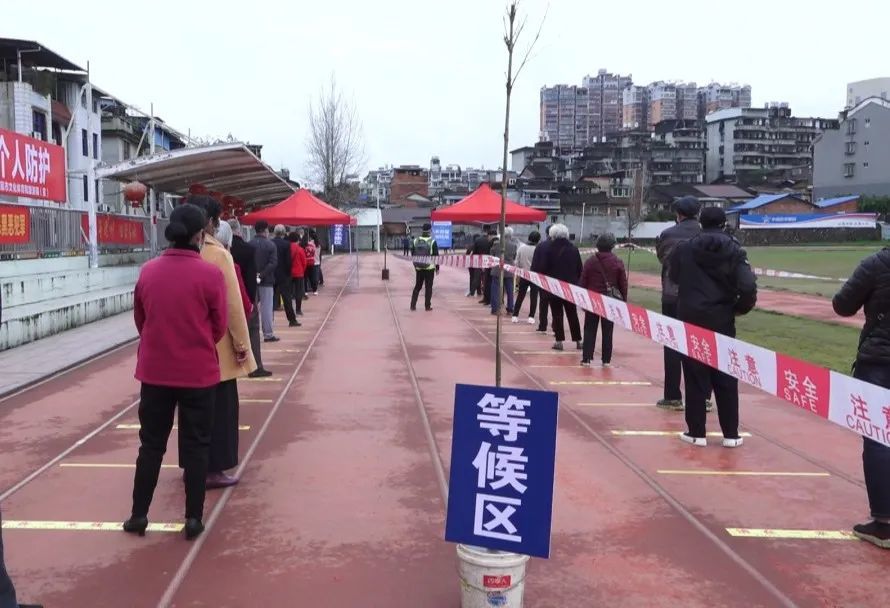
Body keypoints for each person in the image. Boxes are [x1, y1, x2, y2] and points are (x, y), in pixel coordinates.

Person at [123, 203, 227, 541]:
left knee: (150, 445)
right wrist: (197, 341)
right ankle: (193, 518)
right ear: (200, 235)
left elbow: (141, 319)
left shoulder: (149, 272)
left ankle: (139, 514)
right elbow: (219, 326)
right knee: (197, 445)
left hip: (155, 372)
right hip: (198, 373)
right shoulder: (211, 275)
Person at [669, 207, 757, 448]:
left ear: (700, 221)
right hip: (722, 317)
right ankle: (731, 433)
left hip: (692, 317)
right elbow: (748, 285)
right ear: (723, 223)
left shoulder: (685, 248)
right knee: (726, 373)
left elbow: (674, 275)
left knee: (695, 374)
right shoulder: (734, 249)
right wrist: (740, 307)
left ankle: (696, 431)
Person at [188, 195, 257, 488]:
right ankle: (214, 468)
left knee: (191, 413)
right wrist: (242, 346)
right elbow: (233, 307)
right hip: (216, 349)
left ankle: (190, 465)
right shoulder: (217, 256)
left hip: (186, 348)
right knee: (221, 410)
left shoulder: (173, 255)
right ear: (213, 222)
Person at [833, 247, 890, 548]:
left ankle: (884, 521)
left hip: (880, 361)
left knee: (879, 436)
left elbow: (843, 305)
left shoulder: (876, 264)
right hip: (879, 358)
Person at [655, 196, 702, 411]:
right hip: (703, 298)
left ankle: (673, 395)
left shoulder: (667, 235)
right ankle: (704, 396)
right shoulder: (706, 233)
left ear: (678, 214)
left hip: (673, 296)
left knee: (673, 345)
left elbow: (662, 258)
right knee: (701, 346)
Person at [229, 220, 271, 378]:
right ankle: (255, 366)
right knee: (252, 330)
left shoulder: (221, 250)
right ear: (238, 230)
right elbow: (251, 277)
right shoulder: (248, 249)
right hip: (245, 293)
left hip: (225, 296)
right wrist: (253, 300)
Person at [579, 233, 628, 367]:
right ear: (612, 246)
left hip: (592, 299)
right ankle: (606, 360)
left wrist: (581, 299)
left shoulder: (590, 261)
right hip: (610, 301)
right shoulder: (617, 262)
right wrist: (624, 300)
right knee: (608, 330)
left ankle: (587, 358)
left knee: (589, 329)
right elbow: (623, 283)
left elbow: (583, 281)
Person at [541, 224, 583, 351]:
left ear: (552, 235)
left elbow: (543, 267)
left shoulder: (548, 249)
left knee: (557, 314)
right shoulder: (574, 249)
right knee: (572, 313)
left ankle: (559, 341)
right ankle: (578, 340)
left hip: (554, 286)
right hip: (570, 286)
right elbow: (579, 268)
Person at [251, 221, 279, 343]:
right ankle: (268, 334)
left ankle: (251, 332)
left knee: (251, 307)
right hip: (266, 280)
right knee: (267, 308)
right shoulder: (270, 245)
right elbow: (273, 263)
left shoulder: (249, 244)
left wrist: (255, 275)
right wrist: (261, 275)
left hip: (251, 280)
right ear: (265, 230)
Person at [272, 225, 299, 327]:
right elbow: (288, 261)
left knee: (270, 298)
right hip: (284, 274)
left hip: (272, 273)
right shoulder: (286, 244)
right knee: (287, 298)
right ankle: (292, 320)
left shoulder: (271, 242)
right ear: (283, 233)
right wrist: (289, 273)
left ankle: (269, 322)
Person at [531, 225, 555, 334]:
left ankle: (542, 325)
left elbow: (535, 263)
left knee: (543, 303)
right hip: (558, 280)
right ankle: (556, 325)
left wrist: (534, 276)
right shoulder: (564, 246)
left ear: (546, 234)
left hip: (543, 279)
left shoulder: (541, 246)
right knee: (557, 305)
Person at [410, 223, 439, 311]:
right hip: (429, 268)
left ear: (422, 230)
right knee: (428, 287)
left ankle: (412, 305)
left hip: (419, 268)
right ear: (430, 230)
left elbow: (412, 254)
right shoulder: (432, 241)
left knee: (417, 286)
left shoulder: (415, 241)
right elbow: (435, 256)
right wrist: (437, 268)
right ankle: (427, 306)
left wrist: (416, 265)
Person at [513, 230, 540, 324]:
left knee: (520, 295)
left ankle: (515, 315)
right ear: (538, 240)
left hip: (523, 274)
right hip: (535, 275)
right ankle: (531, 317)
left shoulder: (521, 248)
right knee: (534, 296)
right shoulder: (538, 249)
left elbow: (516, 262)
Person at [490, 227, 518, 316]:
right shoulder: (514, 245)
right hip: (509, 269)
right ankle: (510, 308)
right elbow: (514, 256)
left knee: (495, 289)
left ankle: (495, 308)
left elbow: (492, 254)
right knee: (510, 290)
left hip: (497, 268)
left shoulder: (496, 243)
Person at [287, 232, 307, 316]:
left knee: (288, 292)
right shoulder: (300, 249)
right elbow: (304, 262)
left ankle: (289, 310)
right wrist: (302, 270)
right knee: (298, 292)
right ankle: (298, 310)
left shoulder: (287, 248)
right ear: (297, 239)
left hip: (288, 273)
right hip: (299, 273)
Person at [473, 227, 494, 305]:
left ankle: (482, 295)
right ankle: (488, 298)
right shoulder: (491, 242)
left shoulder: (478, 240)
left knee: (481, 279)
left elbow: (474, 252)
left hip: (480, 262)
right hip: (490, 263)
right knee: (488, 281)